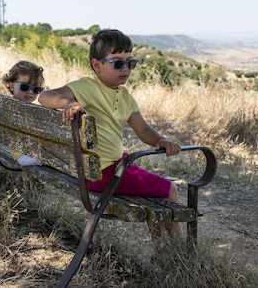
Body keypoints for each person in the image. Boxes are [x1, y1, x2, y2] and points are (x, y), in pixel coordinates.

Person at [38, 29, 184, 239]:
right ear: (97, 65)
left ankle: (161, 248)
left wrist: (161, 140)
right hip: (102, 173)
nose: (125, 68)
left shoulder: (125, 97)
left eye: (129, 63)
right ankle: (178, 250)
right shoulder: (87, 87)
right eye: (117, 63)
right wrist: (68, 103)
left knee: (153, 186)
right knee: (169, 189)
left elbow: (143, 129)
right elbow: (45, 96)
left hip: (105, 168)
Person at [1, 61, 45, 166]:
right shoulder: (18, 111)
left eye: (36, 89)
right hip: (22, 156)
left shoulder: (4, 106)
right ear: (12, 86)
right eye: (25, 87)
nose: (30, 92)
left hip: (19, 152)